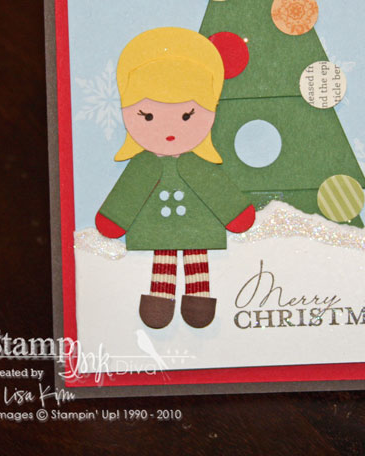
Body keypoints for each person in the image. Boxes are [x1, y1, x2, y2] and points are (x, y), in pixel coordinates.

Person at [95, 27, 255, 329]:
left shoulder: (196, 164)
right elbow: (130, 191)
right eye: (148, 116)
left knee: (196, 254)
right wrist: (114, 218)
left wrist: (235, 212)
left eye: (186, 116)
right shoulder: (145, 165)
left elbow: (216, 189)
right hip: (159, 227)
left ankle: (198, 298)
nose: (169, 130)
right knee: (164, 256)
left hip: (197, 227)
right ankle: (160, 298)